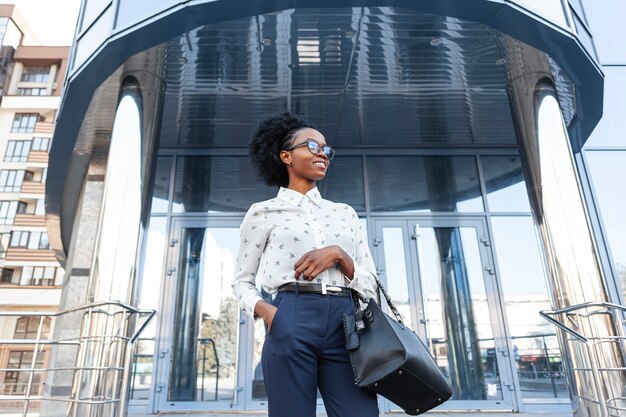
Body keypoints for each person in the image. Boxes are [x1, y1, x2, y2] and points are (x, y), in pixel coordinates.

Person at [232, 112, 380, 417]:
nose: (322, 154)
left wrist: (341, 256)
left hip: (346, 321)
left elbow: (371, 282)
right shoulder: (263, 212)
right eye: (312, 146)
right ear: (286, 156)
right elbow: (242, 282)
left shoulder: (345, 213)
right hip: (291, 315)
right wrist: (271, 313)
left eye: (326, 150)